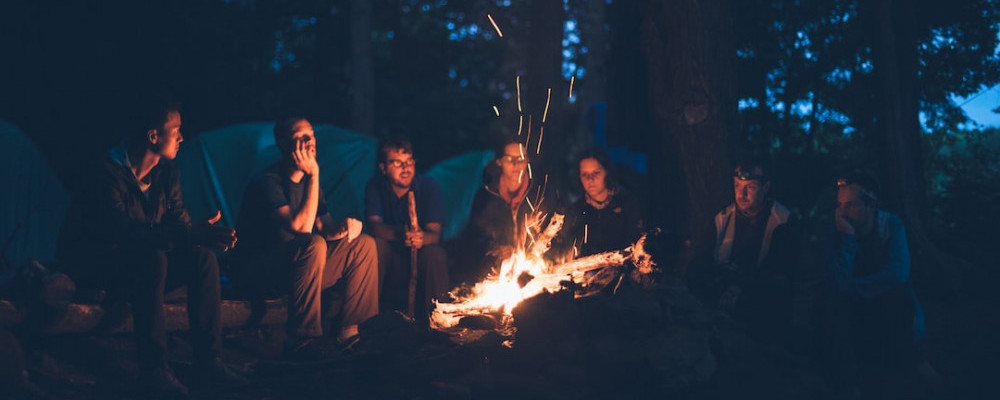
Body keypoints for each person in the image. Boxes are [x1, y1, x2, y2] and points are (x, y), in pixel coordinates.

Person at [57, 100, 246, 395]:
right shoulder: (106, 173)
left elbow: (177, 224)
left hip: (142, 269)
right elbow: (123, 231)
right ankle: (154, 369)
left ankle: (209, 360)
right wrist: (185, 233)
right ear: (153, 136)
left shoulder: (166, 174)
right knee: (153, 259)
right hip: (100, 271)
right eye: (177, 131)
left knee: (202, 259)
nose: (182, 138)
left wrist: (197, 234)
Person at [230, 116, 378, 357]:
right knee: (313, 243)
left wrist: (346, 227)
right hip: (260, 274)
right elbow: (301, 226)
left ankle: (352, 332)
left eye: (311, 135)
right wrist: (314, 175)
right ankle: (303, 338)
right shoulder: (267, 182)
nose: (310, 142)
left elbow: (325, 226)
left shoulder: (311, 185)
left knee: (363, 244)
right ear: (283, 144)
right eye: (301, 137)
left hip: (300, 272)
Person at [819, 171, 931, 397]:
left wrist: (854, 288)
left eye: (850, 205)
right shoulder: (837, 231)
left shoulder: (890, 225)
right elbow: (835, 281)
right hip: (851, 304)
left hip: (883, 299)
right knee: (825, 310)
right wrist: (847, 239)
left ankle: (901, 372)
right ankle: (848, 382)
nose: (842, 212)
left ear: (871, 205)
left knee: (897, 301)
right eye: (839, 205)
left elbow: (897, 273)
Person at [688, 158, 797, 341]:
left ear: (765, 187)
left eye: (751, 187)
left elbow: (781, 271)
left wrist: (742, 288)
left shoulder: (782, 221)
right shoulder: (723, 218)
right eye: (737, 186)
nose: (741, 194)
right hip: (723, 288)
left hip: (759, 295)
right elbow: (700, 260)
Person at [364, 137, 448, 319]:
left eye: (409, 162)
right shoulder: (376, 187)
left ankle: (439, 320)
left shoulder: (428, 187)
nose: (406, 168)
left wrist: (420, 238)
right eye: (397, 163)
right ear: (383, 168)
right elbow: (374, 226)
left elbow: (435, 234)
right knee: (375, 246)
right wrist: (399, 234)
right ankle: (368, 319)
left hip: (420, 256)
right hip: (392, 258)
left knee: (435, 253)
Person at [457, 138, 539, 283]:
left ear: (528, 161)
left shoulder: (538, 194)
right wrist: (495, 248)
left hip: (534, 269)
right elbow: (473, 238)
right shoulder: (486, 195)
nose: (516, 164)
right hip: (496, 272)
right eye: (509, 159)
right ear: (499, 162)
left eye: (521, 158)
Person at [556, 148, 646, 259]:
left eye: (596, 173)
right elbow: (564, 247)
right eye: (585, 174)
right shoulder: (576, 212)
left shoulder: (627, 203)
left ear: (607, 173)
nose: (590, 179)